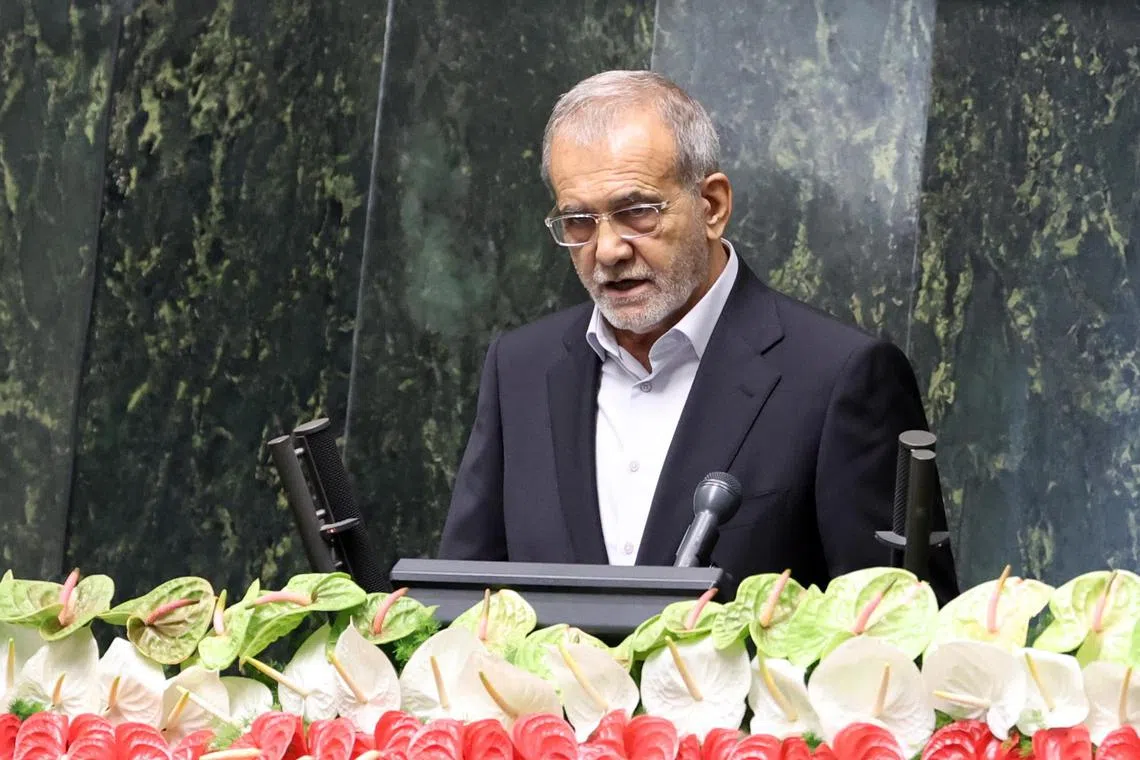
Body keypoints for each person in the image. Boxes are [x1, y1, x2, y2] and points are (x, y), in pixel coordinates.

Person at [437, 70, 958, 602]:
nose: (608, 249)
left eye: (636, 212)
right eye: (579, 221)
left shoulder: (839, 377)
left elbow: (897, 624)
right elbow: (459, 603)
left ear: (712, 206)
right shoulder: (519, 369)